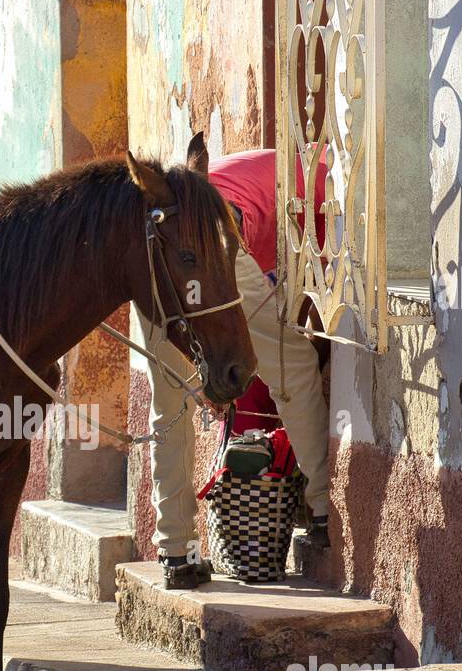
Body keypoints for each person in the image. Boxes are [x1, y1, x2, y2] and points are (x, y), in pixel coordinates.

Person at [135, 147, 331, 589]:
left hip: (154, 250)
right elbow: (323, 281)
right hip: (217, 241)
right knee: (293, 364)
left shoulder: (287, 164)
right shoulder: (335, 198)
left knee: (171, 401)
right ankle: (322, 510)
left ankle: (175, 550)